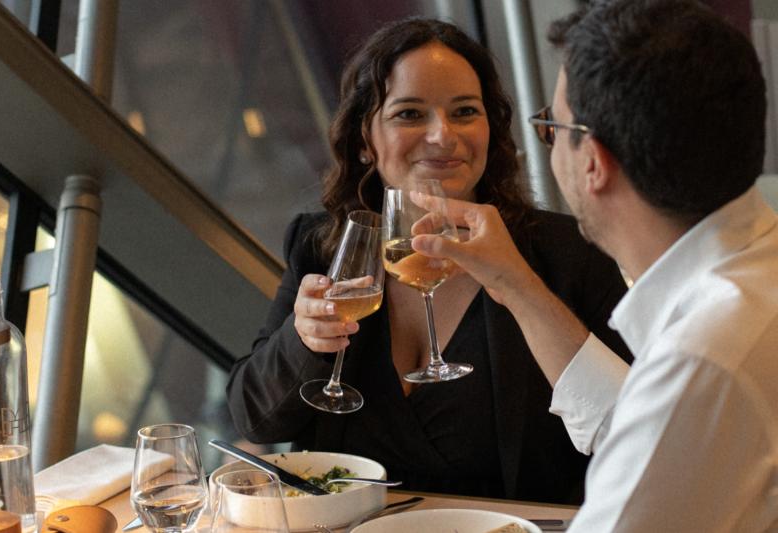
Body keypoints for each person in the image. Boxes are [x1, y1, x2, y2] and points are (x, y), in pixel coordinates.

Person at [226, 17, 632, 503]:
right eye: (410, 114)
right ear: (363, 141)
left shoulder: (570, 252)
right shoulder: (322, 245)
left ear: (491, 129)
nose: (442, 136)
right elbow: (256, 419)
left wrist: (519, 282)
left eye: (464, 111)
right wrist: (303, 340)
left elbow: (637, 435)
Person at [411, 0, 778, 530]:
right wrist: (515, 284)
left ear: (593, 163)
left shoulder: (702, 358)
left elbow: (671, 417)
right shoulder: (753, 277)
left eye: (552, 127)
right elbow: (655, 432)